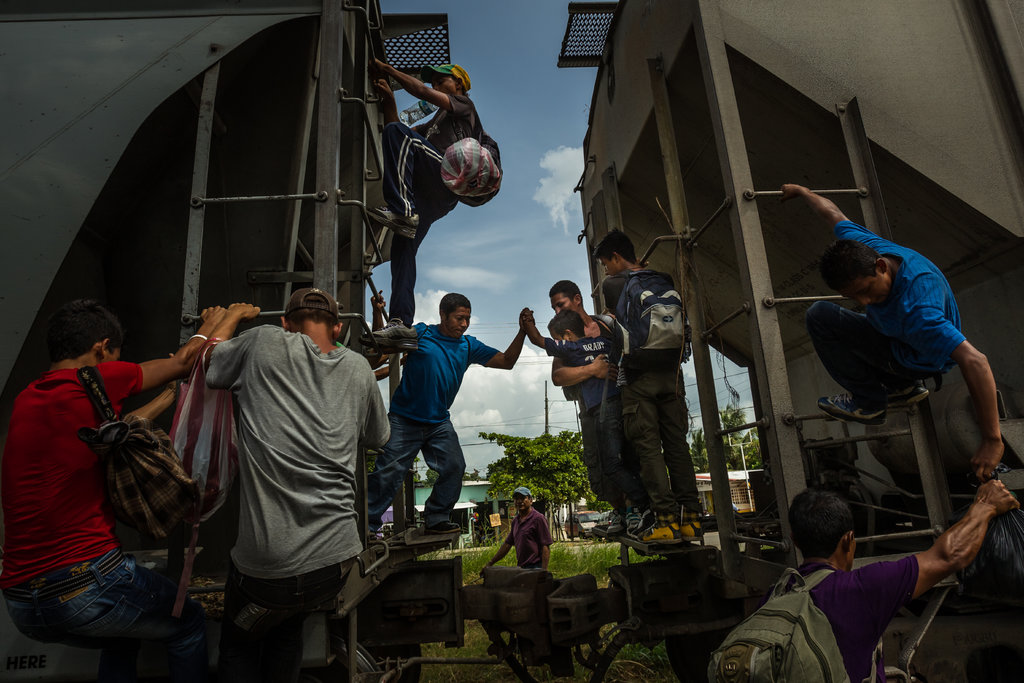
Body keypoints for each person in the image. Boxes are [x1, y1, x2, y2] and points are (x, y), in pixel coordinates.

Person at [1, 298, 257, 682]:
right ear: (102, 348)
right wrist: (232, 315)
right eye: (114, 356)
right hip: (85, 584)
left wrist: (170, 395)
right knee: (187, 620)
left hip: (22, 603)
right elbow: (189, 361)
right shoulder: (95, 379)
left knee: (121, 636)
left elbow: (119, 426)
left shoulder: (30, 399)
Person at [205, 288, 389, 683]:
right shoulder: (358, 368)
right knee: (287, 630)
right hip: (335, 561)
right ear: (337, 328)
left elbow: (206, 361)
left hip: (267, 570)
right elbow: (379, 437)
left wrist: (230, 317)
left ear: (285, 324)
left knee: (239, 645)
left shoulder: (262, 342)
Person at [781, 183, 1004, 481]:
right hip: (894, 339)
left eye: (866, 291)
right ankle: (899, 391)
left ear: (881, 267)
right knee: (821, 313)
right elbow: (833, 213)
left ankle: (872, 400)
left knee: (821, 318)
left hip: (909, 359)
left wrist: (992, 439)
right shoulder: (864, 247)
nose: (864, 302)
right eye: (854, 297)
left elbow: (976, 362)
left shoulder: (919, 312)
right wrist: (805, 193)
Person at [784, 483, 1019, 682]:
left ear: (795, 540)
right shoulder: (863, 588)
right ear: (849, 539)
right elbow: (949, 556)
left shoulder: (778, 594)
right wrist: (986, 506)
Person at [367, 292, 526, 534]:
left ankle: (437, 517)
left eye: (467, 319)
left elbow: (507, 361)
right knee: (387, 472)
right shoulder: (421, 333)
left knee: (454, 466)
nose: (464, 324)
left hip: (439, 422)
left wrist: (522, 331)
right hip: (404, 419)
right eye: (459, 318)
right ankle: (367, 525)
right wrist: (378, 313)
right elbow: (380, 347)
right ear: (443, 315)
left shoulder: (469, 345)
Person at [367, 58, 495, 344]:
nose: (435, 86)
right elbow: (398, 133)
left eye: (441, 81)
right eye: (434, 82)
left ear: (458, 84)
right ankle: (401, 324)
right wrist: (389, 100)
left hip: (446, 177)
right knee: (403, 249)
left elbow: (422, 95)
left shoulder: (464, 105)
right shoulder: (436, 122)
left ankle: (402, 209)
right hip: (431, 197)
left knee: (401, 137)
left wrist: (389, 71)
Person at [592, 230, 702, 543]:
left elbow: (618, 329)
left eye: (605, 264)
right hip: (672, 372)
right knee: (678, 446)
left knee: (649, 449)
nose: (606, 271)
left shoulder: (615, 284)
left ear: (615, 257)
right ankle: (691, 519)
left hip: (639, 377)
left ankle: (665, 521)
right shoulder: (663, 278)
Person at [520, 306, 652, 537]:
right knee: (627, 460)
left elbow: (537, 340)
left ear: (568, 335)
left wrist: (528, 320)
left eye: (558, 338)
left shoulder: (573, 348)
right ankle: (638, 506)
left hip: (603, 410)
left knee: (610, 464)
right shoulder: (607, 343)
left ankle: (644, 504)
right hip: (622, 405)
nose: (557, 343)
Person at [482, 487, 553, 571]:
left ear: (530, 500)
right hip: (521, 567)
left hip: (535, 567)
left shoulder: (538, 518)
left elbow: (545, 546)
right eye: (516, 499)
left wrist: (544, 571)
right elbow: (507, 544)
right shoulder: (516, 521)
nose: (519, 501)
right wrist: (490, 563)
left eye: (523, 498)